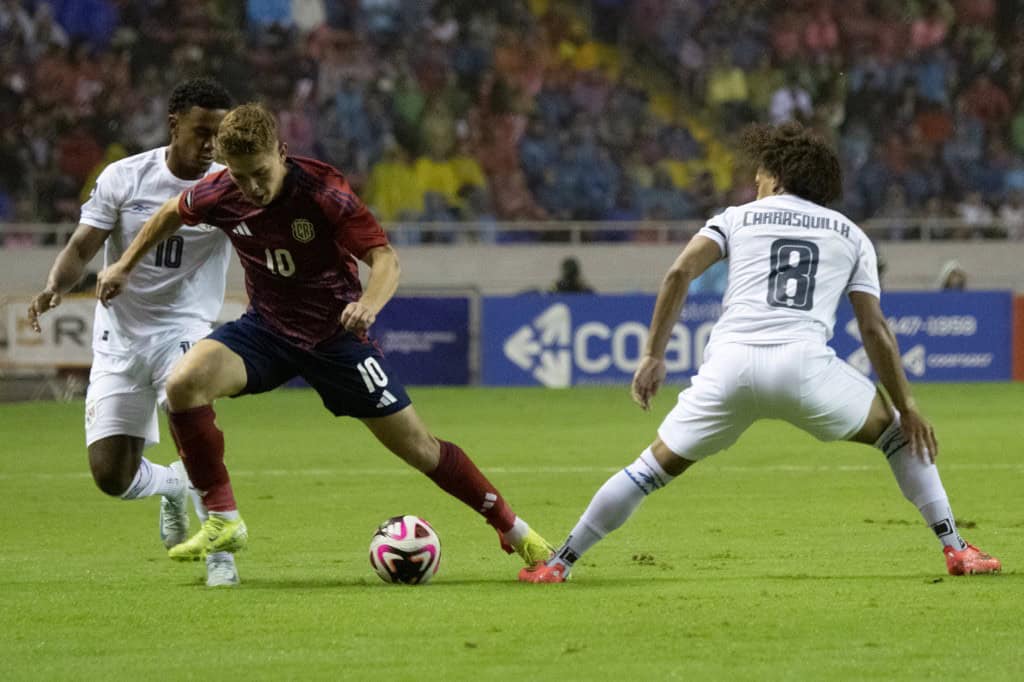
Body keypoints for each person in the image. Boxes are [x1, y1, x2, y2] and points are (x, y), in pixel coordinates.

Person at [520, 122, 1001, 583]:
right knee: (898, 435)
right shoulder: (851, 234)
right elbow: (874, 329)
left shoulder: (735, 218)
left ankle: (560, 562)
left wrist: (652, 355)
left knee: (649, 468)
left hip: (729, 368)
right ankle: (957, 548)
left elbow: (679, 274)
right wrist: (908, 406)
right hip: (805, 370)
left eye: (759, 176)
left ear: (776, 176)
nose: (754, 184)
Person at [95, 103, 551, 569]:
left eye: (260, 173)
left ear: (282, 153)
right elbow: (171, 211)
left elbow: (385, 259)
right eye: (239, 176)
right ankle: (223, 518)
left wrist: (368, 305)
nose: (251, 187)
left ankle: (516, 531)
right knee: (183, 384)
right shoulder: (221, 191)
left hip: (335, 338)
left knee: (420, 448)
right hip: (267, 330)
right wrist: (123, 265)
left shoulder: (323, 191)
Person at [27, 78, 241, 587]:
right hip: (119, 336)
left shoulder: (229, 187)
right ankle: (172, 484)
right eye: (200, 132)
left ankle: (221, 553)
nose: (209, 145)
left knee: (191, 417)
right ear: (174, 125)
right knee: (111, 476)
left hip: (184, 327)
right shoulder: (124, 177)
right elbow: (83, 246)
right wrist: (56, 286)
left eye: (218, 135)